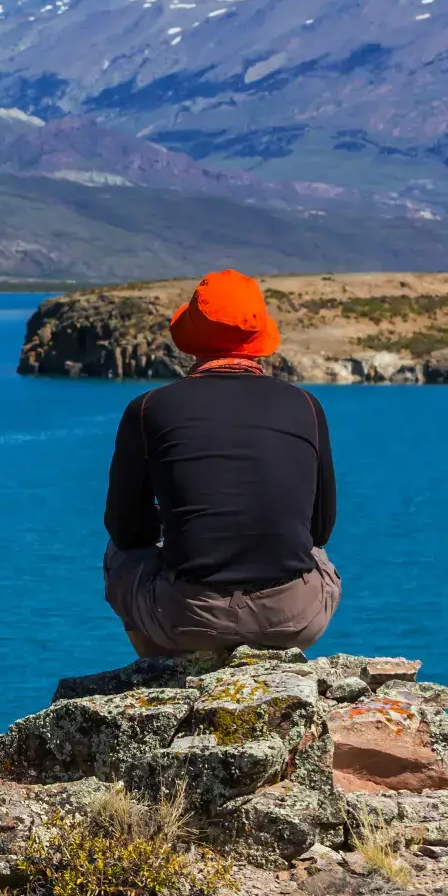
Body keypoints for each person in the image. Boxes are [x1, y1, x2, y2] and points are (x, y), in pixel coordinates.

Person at [102, 269, 341, 657]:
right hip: (294, 618)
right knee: (316, 556)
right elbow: (320, 528)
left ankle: (164, 672)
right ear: (258, 335)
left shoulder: (148, 409)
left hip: (186, 619)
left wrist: (174, 524)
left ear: (193, 335)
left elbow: (126, 531)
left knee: (118, 555)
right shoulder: (307, 406)